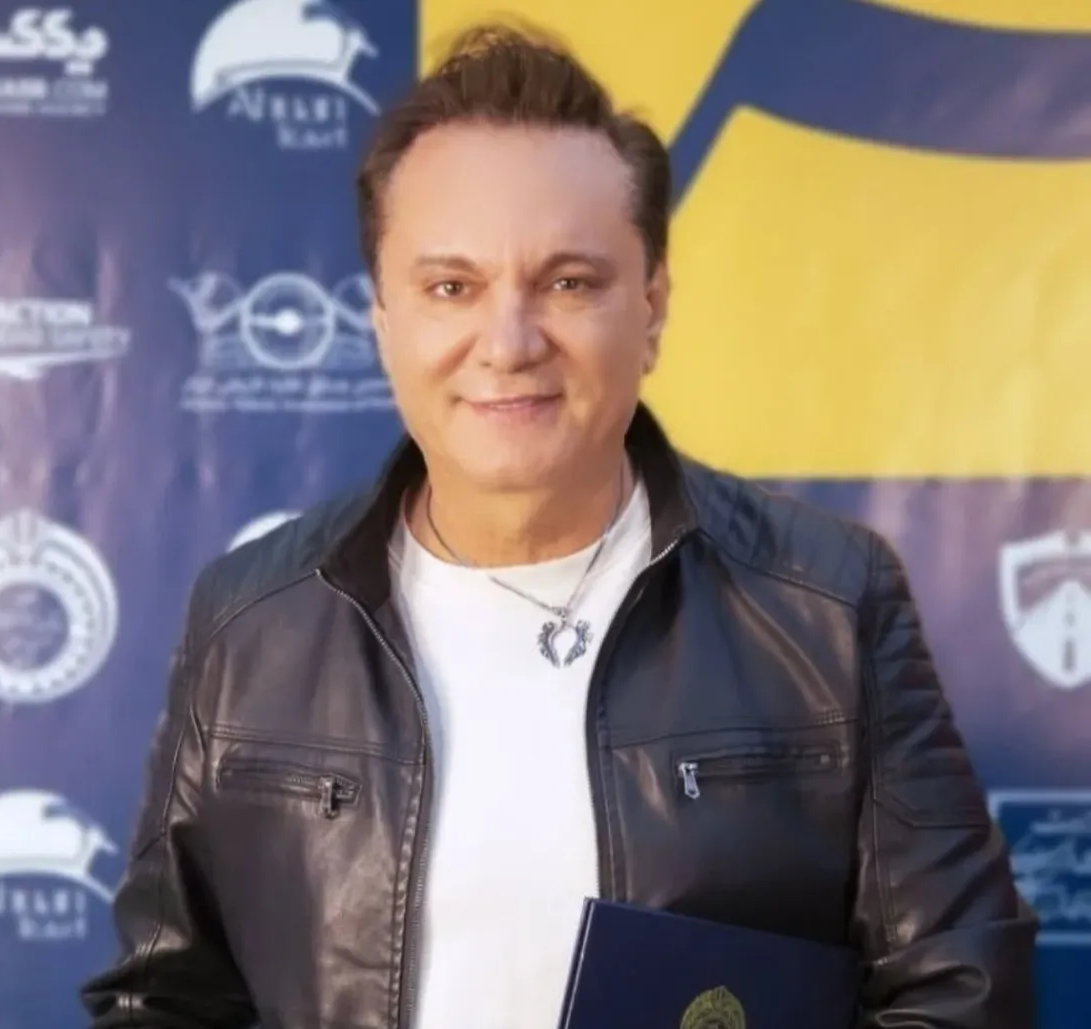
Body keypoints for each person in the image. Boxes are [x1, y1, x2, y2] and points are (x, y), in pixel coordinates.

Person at [81, 23, 1036, 1029]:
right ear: (383, 320)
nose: (508, 342)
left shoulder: (829, 602)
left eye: (568, 283)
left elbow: (961, 986)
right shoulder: (252, 619)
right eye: (452, 287)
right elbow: (164, 998)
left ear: (652, 307)